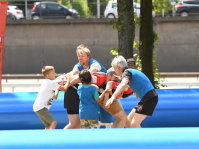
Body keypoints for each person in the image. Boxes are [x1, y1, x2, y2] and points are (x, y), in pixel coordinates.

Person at [63, 44, 113, 129]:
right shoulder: (79, 65)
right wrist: (65, 77)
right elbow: (73, 73)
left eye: (82, 56)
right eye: (78, 56)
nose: (79, 58)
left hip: (104, 89)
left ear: (88, 57)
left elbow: (86, 75)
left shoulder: (95, 64)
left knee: (107, 117)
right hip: (93, 91)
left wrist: (68, 84)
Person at [105, 56, 158, 128]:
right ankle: (134, 137)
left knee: (134, 124)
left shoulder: (127, 73)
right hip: (147, 97)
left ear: (118, 67)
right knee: (128, 120)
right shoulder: (129, 72)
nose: (114, 71)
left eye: (114, 68)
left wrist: (112, 97)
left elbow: (123, 84)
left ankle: (142, 139)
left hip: (149, 98)